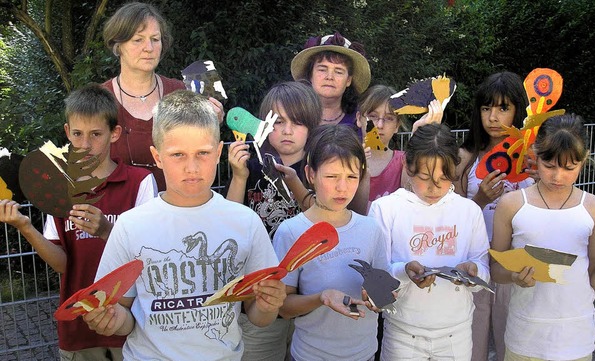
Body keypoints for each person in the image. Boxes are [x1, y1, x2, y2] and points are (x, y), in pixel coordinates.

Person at [82, 90, 286, 360]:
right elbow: (125, 316)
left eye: (202, 153)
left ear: (217, 153)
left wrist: (270, 304)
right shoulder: (131, 226)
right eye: (178, 155)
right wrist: (109, 319)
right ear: (157, 157)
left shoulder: (245, 222)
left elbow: (257, 315)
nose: (192, 167)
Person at [0, 84, 156, 361]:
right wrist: (25, 227)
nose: (85, 145)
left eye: (95, 134)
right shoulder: (60, 190)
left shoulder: (140, 182)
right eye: (77, 134)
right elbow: (62, 264)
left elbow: (150, 254)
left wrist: (107, 230)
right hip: (78, 328)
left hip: (132, 324)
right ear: (67, 133)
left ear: (114, 133)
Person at [491, 113, 595, 361]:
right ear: (535, 155)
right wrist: (514, 276)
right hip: (526, 335)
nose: (558, 176)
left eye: (570, 168)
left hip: (575, 336)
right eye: (549, 166)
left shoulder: (593, 207)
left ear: (584, 160)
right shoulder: (512, 204)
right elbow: (496, 269)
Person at [369, 123, 490, 361]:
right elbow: (374, 277)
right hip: (403, 334)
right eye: (424, 177)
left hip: (456, 335)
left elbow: (484, 269)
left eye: (444, 178)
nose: (434, 188)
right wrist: (404, 271)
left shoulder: (469, 211)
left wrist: (473, 272)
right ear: (407, 166)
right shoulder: (386, 208)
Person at [273, 125, 388, 361]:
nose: (342, 187)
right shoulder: (291, 232)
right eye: (332, 176)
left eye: (352, 177)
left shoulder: (371, 229)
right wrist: (321, 297)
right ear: (311, 174)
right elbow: (283, 307)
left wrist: (379, 296)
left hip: (364, 354)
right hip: (310, 355)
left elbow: (385, 292)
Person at [225, 81, 321, 360]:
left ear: (312, 127)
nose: (287, 130)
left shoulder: (318, 168)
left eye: (298, 122)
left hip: (307, 293)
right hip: (260, 292)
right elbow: (231, 220)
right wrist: (239, 176)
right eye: (278, 121)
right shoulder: (251, 164)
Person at [454, 71, 534, 361]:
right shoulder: (466, 157)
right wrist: (480, 199)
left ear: (518, 111)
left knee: (510, 335)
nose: (493, 117)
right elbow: (453, 216)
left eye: (503, 108)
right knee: (472, 336)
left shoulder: (532, 157)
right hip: (475, 258)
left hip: (516, 260)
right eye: (486, 108)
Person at [102, 2, 224, 191]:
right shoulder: (100, 99)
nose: (148, 48)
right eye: (138, 40)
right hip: (117, 217)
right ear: (118, 46)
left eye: (155, 39)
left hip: (177, 213)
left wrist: (212, 122)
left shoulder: (183, 93)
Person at [290, 32, 370, 131]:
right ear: (310, 75)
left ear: (348, 80)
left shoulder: (363, 120)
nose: (329, 77)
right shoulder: (290, 115)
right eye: (322, 69)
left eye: (338, 71)